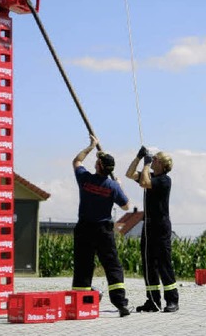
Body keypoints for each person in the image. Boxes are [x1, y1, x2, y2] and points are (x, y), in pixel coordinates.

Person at [72, 135, 131, 317]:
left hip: (84, 228)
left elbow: (77, 161)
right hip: (104, 230)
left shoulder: (85, 179)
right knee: (112, 266)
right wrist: (119, 186)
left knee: (83, 265)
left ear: (98, 166)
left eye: (97, 162)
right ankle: (120, 304)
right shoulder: (112, 187)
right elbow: (126, 206)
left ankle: (81, 303)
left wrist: (91, 146)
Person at [126, 146, 179, 313]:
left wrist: (146, 165)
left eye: (155, 159)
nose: (152, 160)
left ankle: (172, 300)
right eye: (152, 158)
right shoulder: (151, 175)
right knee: (149, 265)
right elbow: (129, 174)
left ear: (162, 164)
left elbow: (144, 182)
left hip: (161, 226)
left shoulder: (164, 180)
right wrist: (138, 157)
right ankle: (153, 301)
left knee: (164, 264)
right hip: (148, 226)